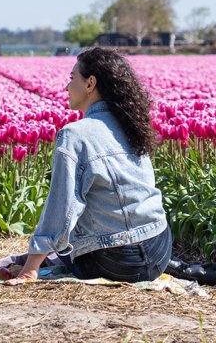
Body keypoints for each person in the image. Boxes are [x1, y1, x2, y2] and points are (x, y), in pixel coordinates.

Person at [12, 47, 171, 284]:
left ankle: (39, 256)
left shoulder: (75, 134)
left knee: (65, 246)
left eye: (72, 78)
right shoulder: (132, 125)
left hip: (115, 262)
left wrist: (31, 266)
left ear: (90, 84)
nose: (66, 87)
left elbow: (63, 206)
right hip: (160, 249)